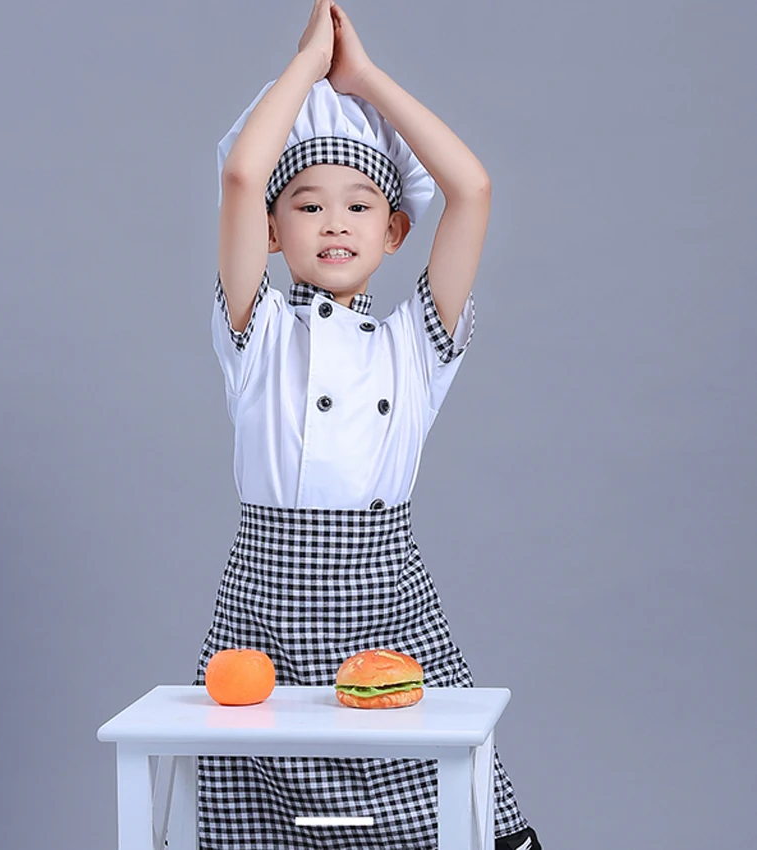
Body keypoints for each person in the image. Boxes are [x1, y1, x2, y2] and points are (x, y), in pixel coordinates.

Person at [193, 1, 542, 848]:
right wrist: (306, 68)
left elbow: (472, 189)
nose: (335, 223)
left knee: (438, 802)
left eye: (359, 206)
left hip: (388, 602)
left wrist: (367, 81)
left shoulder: (414, 345)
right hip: (266, 605)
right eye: (307, 205)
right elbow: (241, 176)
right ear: (270, 231)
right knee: (263, 811)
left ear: (395, 232)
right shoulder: (257, 333)